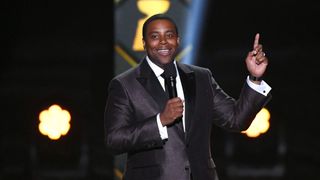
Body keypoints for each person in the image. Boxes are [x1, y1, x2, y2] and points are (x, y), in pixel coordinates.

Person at [104, 14, 271, 180]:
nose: (163, 41)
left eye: (169, 35)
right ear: (144, 42)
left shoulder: (201, 77)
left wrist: (255, 78)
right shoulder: (125, 84)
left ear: (177, 40)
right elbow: (114, 140)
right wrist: (160, 121)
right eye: (155, 36)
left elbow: (236, 120)